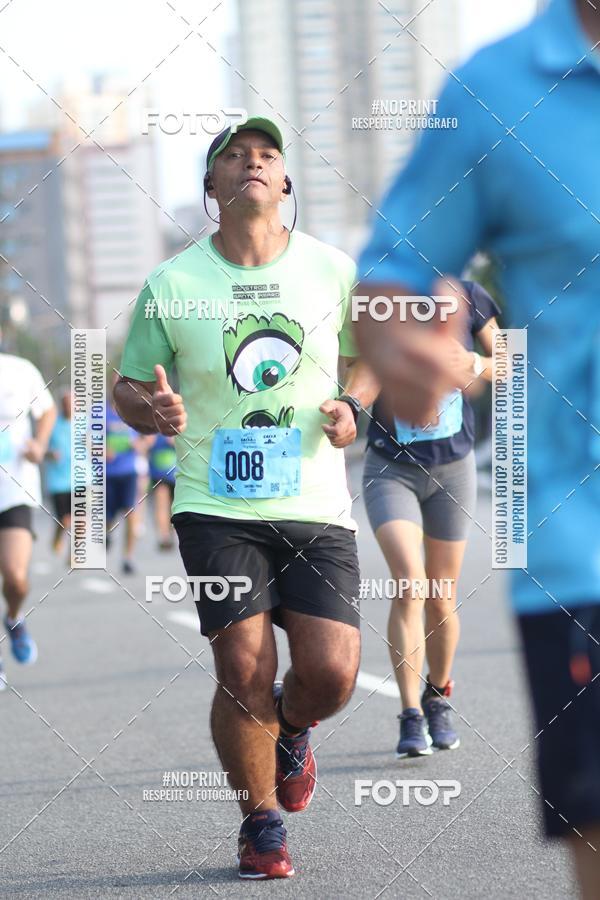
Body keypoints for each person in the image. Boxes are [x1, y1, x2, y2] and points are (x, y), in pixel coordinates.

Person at [354, 0, 600, 895]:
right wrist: (396, 347)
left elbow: (495, 365)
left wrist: (477, 367)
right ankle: (420, 706)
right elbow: (388, 272)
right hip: (585, 549)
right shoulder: (495, 94)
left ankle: (434, 697)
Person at [113, 116, 374, 880]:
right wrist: (149, 413)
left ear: (285, 183)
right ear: (211, 188)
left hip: (316, 504)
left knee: (331, 674)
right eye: (234, 156)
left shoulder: (332, 269)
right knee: (244, 663)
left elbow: (364, 358)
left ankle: (294, 725)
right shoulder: (173, 283)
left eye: (266, 156)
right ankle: (260, 824)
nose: (252, 164)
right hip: (212, 502)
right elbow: (128, 384)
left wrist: (353, 405)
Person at [363, 282, 498, 757]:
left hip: (452, 470)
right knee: (409, 583)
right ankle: (410, 715)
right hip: (390, 467)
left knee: (442, 596)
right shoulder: (379, 296)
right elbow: (357, 367)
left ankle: (438, 695)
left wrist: (477, 364)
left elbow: (511, 363)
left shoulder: (470, 296)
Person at [0, 349, 56, 688]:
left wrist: (39, 442)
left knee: (16, 576)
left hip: (13, 489)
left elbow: (46, 409)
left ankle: (13, 616)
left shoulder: (20, 369)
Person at [106, 395, 145, 575]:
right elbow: (87, 439)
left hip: (129, 471)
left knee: (131, 513)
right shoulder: (101, 413)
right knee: (109, 517)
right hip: (107, 473)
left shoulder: (135, 413)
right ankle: (107, 534)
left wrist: (139, 445)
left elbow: (149, 438)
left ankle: (127, 558)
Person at [45, 389, 72, 561]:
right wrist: (50, 454)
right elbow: (41, 448)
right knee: (64, 520)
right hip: (59, 481)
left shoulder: (86, 423)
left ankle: (74, 555)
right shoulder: (53, 424)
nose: (69, 406)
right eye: (65, 402)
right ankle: (57, 536)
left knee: (80, 518)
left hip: (82, 479)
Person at [148, 433, 177, 550]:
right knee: (161, 504)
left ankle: (172, 533)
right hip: (158, 473)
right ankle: (164, 536)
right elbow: (144, 444)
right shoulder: (152, 425)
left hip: (178, 473)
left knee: (174, 507)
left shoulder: (181, 421)